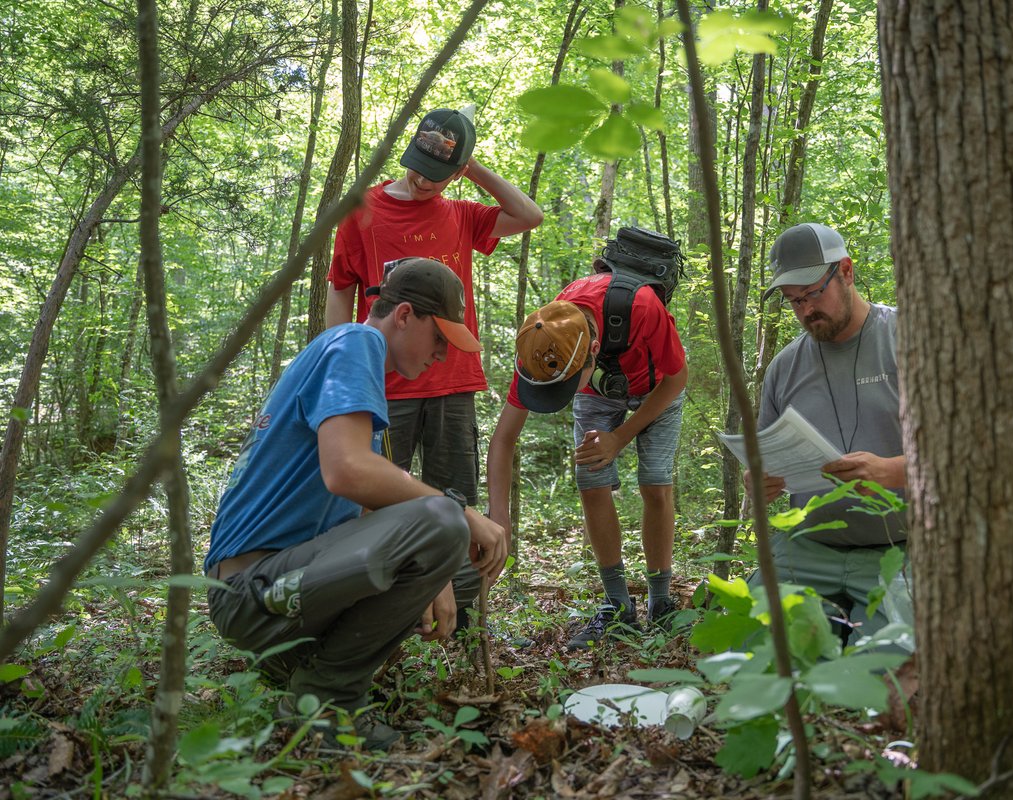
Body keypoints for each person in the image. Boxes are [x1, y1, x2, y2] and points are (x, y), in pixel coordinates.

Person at [205, 258, 508, 749]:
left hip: (293, 582)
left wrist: (437, 569)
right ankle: (326, 704)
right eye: (439, 339)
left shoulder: (357, 372)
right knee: (445, 519)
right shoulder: (354, 342)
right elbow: (345, 471)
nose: (441, 356)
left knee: (464, 568)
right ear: (405, 315)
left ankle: (306, 665)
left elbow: (368, 510)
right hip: (251, 589)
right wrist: (462, 514)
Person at [325, 105, 541, 620]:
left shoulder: (461, 214)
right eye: (419, 167)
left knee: (456, 501)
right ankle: (378, 617)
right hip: (383, 382)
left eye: (438, 173)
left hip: (452, 382)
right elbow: (340, 290)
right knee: (378, 502)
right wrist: (341, 363)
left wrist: (471, 168)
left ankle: (464, 621)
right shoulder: (363, 210)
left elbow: (529, 215)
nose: (424, 181)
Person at [486, 267, 688, 650]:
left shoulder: (643, 306)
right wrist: (499, 520)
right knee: (591, 482)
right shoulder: (543, 339)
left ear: (592, 352)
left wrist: (619, 438)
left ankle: (660, 600)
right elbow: (503, 439)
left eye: (564, 386)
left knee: (655, 481)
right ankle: (618, 605)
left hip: (658, 385)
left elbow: (678, 378)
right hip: (597, 390)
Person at [745, 222, 909, 648]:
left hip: (899, 550)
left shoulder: (907, 339)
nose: (804, 311)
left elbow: (966, 455)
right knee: (755, 657)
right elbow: (766, 461)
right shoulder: (785, 367)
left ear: (847, 271)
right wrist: (760, 484)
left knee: (883, 678)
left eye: (813, 293)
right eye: (792, 301)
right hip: (807, 550)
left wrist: (894, 470)